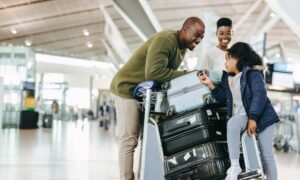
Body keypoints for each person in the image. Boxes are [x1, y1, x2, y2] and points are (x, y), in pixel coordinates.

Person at [110, 17, 205, 180]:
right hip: (126, 89)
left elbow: (164, 77)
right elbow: (154, 73)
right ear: (185, 29)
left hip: (143, 94)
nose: (198, 40)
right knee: (130, 139)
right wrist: (189, 74)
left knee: (146, 141)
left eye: (201, 38)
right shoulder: (166, 40)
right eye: (196, 35)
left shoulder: (181, 49)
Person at [198, 42, 279, 180]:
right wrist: (210, 84)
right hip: (244, 117)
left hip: (263, 118)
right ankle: (234, 165)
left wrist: (253, 118)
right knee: (233, 123)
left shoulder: (253, 74)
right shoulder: (227, 78)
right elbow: (224, 98)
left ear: (236, 59)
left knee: (266, 155)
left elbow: (260, 95)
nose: (225, 63)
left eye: (227, 59)